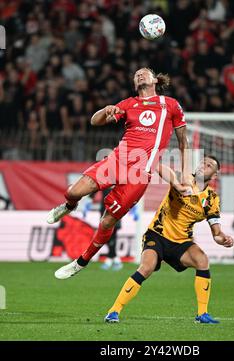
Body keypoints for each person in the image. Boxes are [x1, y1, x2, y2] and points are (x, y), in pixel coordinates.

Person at [47, 67, 190, 279]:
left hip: (139, 174)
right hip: (116, 160)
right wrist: (106, 110)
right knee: (73, 192)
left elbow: (183, 142)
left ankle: (80, 262)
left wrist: (185, 174)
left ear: (155, 80)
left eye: (144, 72)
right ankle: (69, 206)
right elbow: (94, 122)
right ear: (134, 84)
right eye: (136, 74)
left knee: (106, 222)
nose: (140, 74)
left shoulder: (170, 105)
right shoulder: (127, 104)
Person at [104, 155, 234, 324]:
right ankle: (113, 311)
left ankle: (202, 314)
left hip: (181, 242)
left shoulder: (211, 199)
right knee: (146, 267)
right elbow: (159, 167)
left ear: (214, 175)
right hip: (157, 234)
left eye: (209, 165)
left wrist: (222, 238)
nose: (203, 165)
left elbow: (216, 233)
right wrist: (178, 185)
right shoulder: (184, 179)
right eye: (203, 162)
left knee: (202, 260)